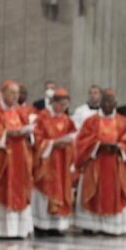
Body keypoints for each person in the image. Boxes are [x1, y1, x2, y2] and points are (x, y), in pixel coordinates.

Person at [75, 89, 126, 234]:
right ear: (100, 103)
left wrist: (120, 147)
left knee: (114, 194)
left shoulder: (124, 122)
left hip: (115, 165)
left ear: (116, 104)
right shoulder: (91, 122)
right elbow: (81, 142)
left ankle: (112, 227)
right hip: (95, 164)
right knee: (93, 191)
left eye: (110, 101)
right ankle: (91, 226)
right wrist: (97, 145)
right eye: (105, 101)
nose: (107, 104)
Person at [0, 80, 34, 239]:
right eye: (12, 93)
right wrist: (6, 135)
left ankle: (18, 230)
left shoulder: (20, 111)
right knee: (1, 190)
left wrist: (27, 133)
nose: (15, 97)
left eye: (17, 94)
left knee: (20, 189)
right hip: (1, 159)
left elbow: (29, 131)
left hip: (19, 158)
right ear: (3, 94)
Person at [33, 88, 76, 233]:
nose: (64, 108)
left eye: (66, 105)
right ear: (53, 102)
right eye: (61, 104)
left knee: (61, 189)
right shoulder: (42, 117)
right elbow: (37, 140)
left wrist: (69, 144)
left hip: (62, 161)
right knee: (46, 190)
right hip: (47, 162)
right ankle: (41, 225)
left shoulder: (66, 119)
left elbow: (73, 137)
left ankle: (57, 225)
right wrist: (52, 144)